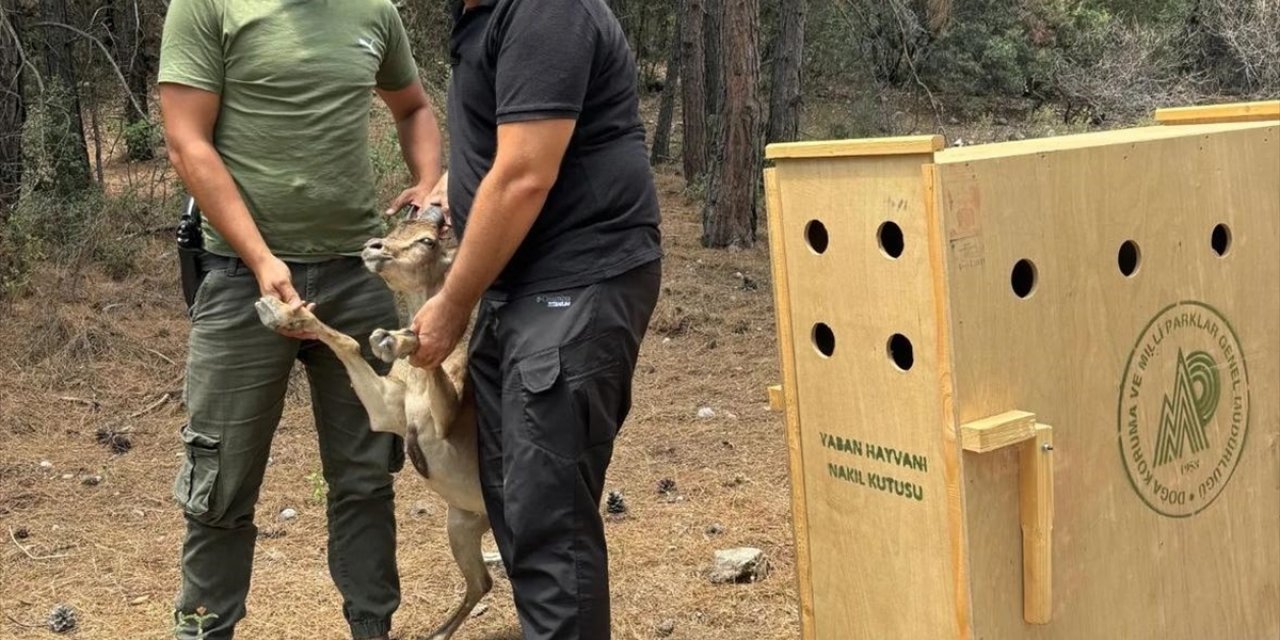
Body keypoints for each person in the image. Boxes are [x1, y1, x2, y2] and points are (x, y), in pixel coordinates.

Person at [156, 1, 442, 638]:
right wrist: (261, 260)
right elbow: (186, 141)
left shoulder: (374, 10)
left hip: (356, 281)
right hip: (240, 283)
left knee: (367, 479)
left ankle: (372, 628)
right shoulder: (209, 5)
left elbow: (414, 106)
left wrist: (428, 182)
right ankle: (204, 629)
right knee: (220, 484)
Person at [409, 0, 663, 638]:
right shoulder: (481, 17)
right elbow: (506, 143)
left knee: (548, 524)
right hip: (517, 291)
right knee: (518, 509)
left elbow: (524, 174)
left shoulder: (545, 9)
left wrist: (452, 301)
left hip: (574, 283)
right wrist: (451, 187)